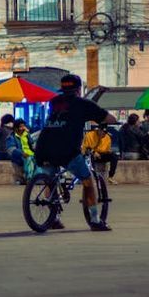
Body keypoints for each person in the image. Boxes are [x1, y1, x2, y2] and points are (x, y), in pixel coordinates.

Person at [34, 74, 113, 231]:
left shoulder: (54, 102)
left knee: (51, 180)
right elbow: (108, 118)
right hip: (66, 149)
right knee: (88, 181)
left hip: (43, 147)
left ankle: (53, 218)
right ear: (79, 89)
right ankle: (95, 220)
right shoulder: (83, 104)